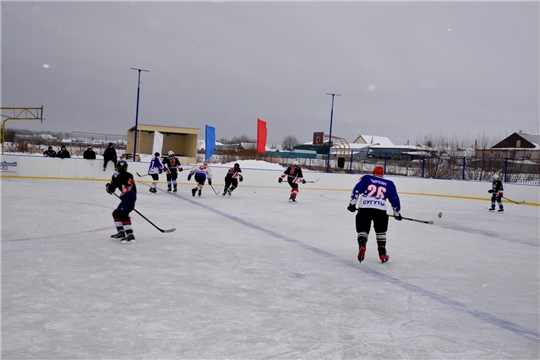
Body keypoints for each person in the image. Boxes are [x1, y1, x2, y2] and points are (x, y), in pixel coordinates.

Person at [347, 165, 402, 264]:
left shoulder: (367, 178)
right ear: (382, 174)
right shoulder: (390, 184)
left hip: (364, 208)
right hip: (380, 210)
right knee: (381, 232)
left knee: (363, 230)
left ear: (373, 172)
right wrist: (396, 213)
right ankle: (382, 253)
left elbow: (356, 190)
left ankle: (362, 245)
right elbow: (395, 199)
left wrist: (352, 204)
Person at [106, 160, 137, 244]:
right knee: (116, 213)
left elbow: (112, 187)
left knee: (123, 214)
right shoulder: (129, 174)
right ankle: (121, 232)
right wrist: (131, 199)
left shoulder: (116, 175)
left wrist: (109, 187)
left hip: (127, 197)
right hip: (130, 196)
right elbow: (133, 188)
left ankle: (130, 235)